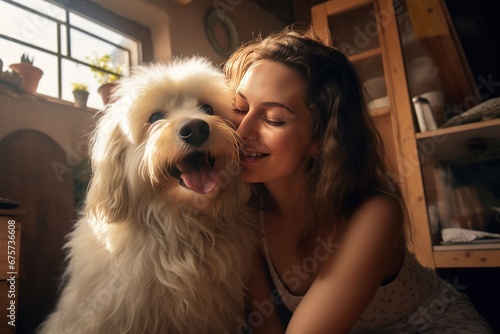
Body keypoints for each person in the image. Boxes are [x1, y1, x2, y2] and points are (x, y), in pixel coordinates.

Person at [223, 26, 492, 333]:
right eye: (239, 108)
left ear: (321, 138)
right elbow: (265, 326)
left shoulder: (375, 213)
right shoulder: (245, 213)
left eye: (274, 119)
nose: (242, 132)